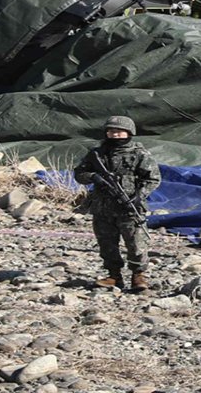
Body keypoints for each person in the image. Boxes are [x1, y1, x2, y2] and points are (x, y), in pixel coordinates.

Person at [73, 116, 162, 291]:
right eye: (111, 131)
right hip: (103, 207)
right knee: (106, 243)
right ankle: (114, 276)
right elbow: (79, 174)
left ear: (129, 133)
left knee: (136, 243)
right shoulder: (97, 154)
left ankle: (138, 276)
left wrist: (139, 195)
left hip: (129, 207)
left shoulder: (139, 154)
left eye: (119, 132)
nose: (115, 135)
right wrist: (93, 177)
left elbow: (153, 178)